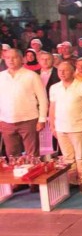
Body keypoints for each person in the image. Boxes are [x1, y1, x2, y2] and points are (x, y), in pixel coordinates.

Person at [0, 49, 49, 181]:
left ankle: (34, 181)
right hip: (6, 121)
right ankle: (16, 182)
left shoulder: (32, 75)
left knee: (32, 154)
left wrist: (42, 119)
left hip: (29, 120)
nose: (11, 60)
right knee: (12, 154)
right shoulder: (1, 76)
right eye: (8, 57)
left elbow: (43, 99)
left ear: (22, 59)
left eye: (14, 57)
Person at [49, 61, 82, 193]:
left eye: (65, 70)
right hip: (60, 127)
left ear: (73, 72)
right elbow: (52, 108)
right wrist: (52, 126)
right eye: (59, 70)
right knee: (68, 157)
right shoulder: (54, 88)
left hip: (78, 126)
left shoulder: (81, 86)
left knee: (80, 156)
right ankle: (73, 180)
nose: (62, 73)